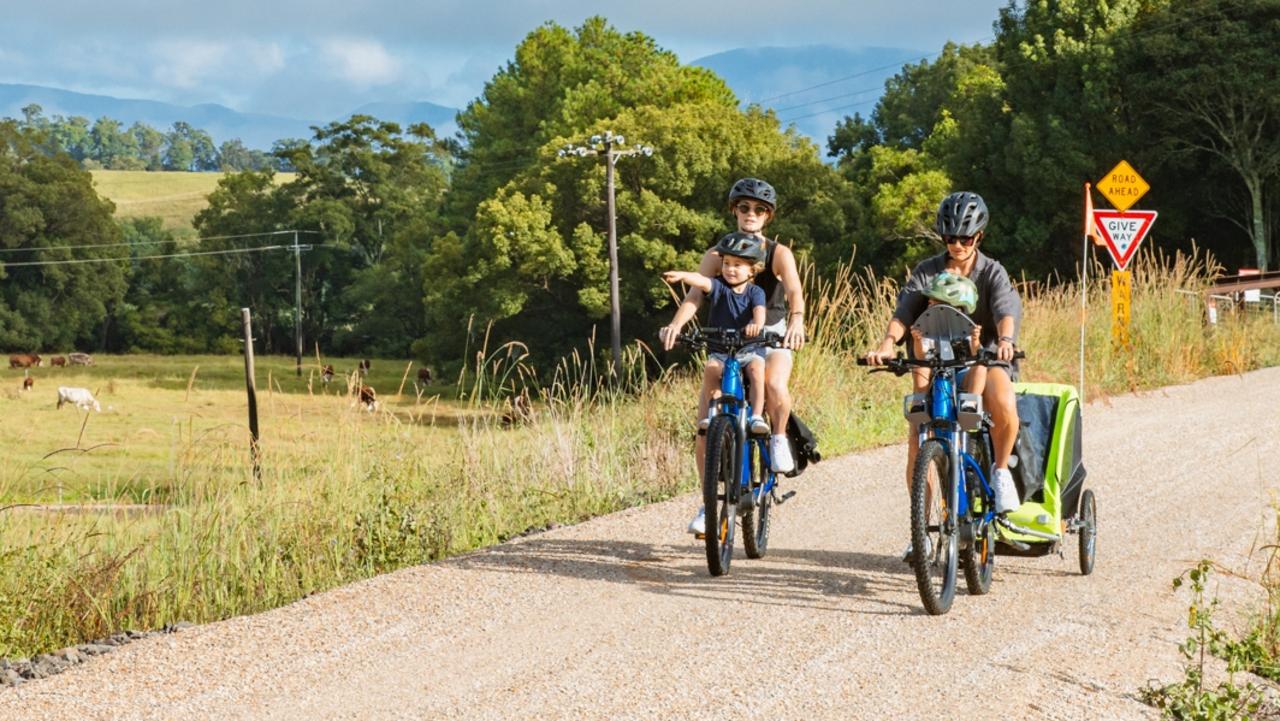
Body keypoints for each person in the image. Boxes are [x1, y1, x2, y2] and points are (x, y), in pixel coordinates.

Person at [864, 191, 1022, 558]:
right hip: (932, 359)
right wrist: (888, 344)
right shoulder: (927, 271)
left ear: (978, 236)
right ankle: (921, 531)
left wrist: (1007, 340)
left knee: (1003, 405)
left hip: (984, 356)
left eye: (965, 238)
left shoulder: (992, 271)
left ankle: (999, 473)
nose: (957, 245)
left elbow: (1004, 310)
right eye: (950, 238)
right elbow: (904, 313)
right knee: (919, 437)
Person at [658, 177, 807, 536]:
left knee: (771, 382)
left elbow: (793, 291)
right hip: (725, 338)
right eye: (744, 208)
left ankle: (777, 438)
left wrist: (796, 323)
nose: (750, 214)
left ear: (767, 216)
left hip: (769, 334)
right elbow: (696, 294)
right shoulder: (717, 253)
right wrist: (676, 324)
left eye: (758, 210)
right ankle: (709, 504)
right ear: (734, 211)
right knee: (705, 424)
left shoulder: (777, 253)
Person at [662, 232, 770, 537]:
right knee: (711, 367)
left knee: (758, 370)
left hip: (750, 349)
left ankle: (758, 415)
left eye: (739, 265)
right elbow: (704, 283)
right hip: (722, 349)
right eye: (727, 263)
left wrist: (757, 326)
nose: (731, 269)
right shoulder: (720, 286)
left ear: (753, 270)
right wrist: (684, 275)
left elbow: (760, 314)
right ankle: (713, 411)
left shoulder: (755, 293)